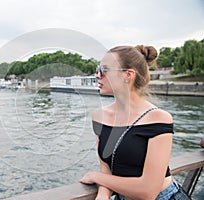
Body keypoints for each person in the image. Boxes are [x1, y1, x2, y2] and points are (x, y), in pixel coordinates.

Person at [80, 45, 187, 199]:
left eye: (104, 70)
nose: (97, 75)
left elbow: (148, 191)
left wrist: (96, 177)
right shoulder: (99, 116)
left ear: (128, 75)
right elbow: (106, 166)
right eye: (98, 69)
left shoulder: (159, 119)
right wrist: (103, 194)